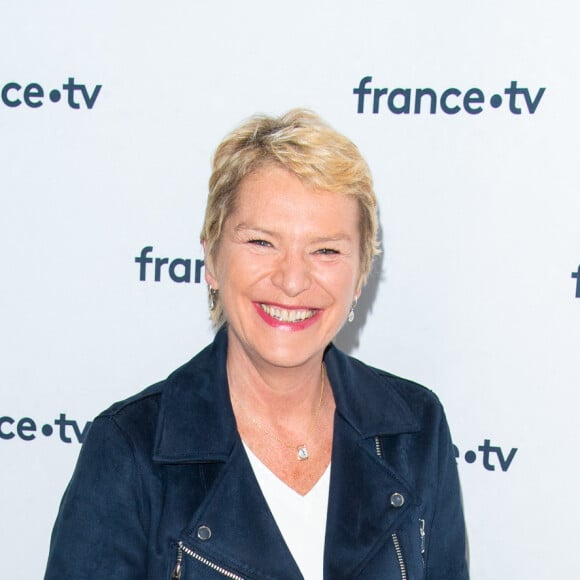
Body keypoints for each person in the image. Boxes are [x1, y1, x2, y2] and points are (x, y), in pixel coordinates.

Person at [44, 109, 469, 579]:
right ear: (211, 257)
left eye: (325, 250)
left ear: (361, 273)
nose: (291, 280)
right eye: (262, 242)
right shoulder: (130, 450)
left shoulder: (414, 430)